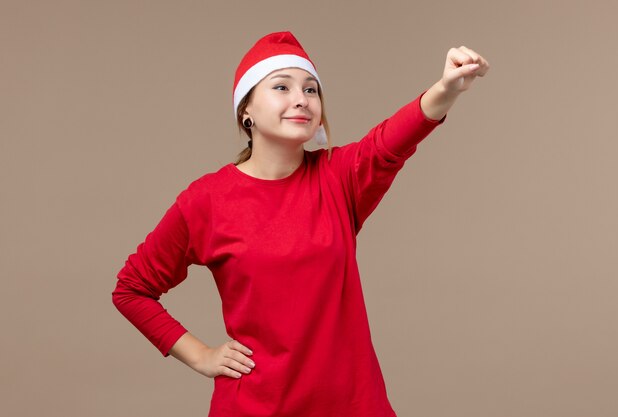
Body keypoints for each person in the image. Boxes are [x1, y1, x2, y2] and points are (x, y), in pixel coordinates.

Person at [112, 31, 489, 417]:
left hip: (352, 406)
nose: (301, 99)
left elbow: (393, 139)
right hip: (254, 407)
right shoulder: (207, 199)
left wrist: (447, 88)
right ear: (247, 111)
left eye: (311, 90)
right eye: (282, 86)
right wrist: (200, 355)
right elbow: (132, 289)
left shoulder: (337, 177)